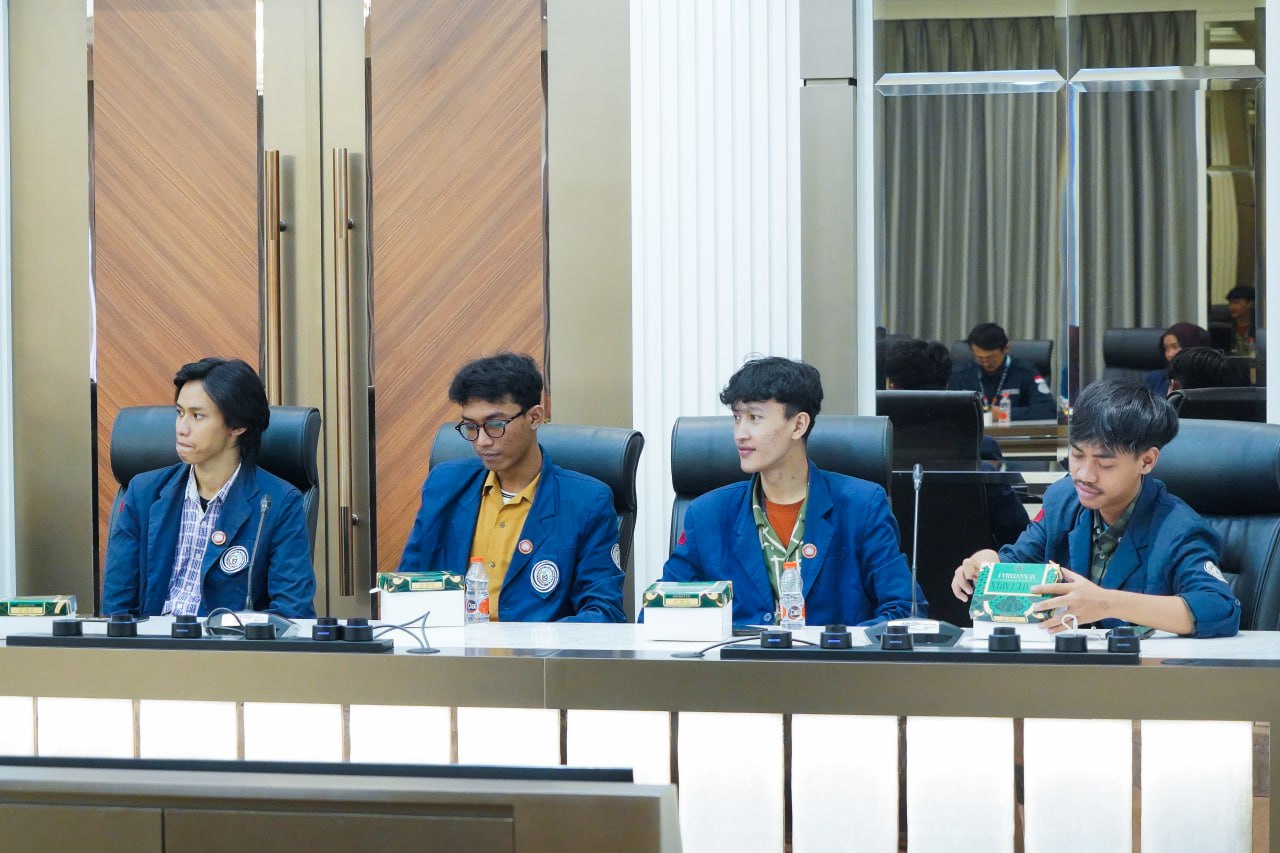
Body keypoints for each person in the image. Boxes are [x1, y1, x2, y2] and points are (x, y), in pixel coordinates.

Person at [950, 379, 1240, 638]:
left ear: (1147, 461)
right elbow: (1021, 561)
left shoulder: (1179, 528)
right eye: (1077, 456)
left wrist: (1105, 602)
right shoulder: (1064, 499)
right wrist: (989, 564)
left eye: (1105, 463)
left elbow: (1219, 608)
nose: (1085, 475)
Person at [660, 356, 921, 626]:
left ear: (798, 425)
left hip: (831, 654)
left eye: (754, 417)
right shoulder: (707, 514)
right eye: (737, 418)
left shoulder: (862, 506)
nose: (740, 434)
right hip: (737, 655)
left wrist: (836, 643)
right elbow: (660, 610)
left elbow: (904, 611)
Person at [398, 352, 624, 622]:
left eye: (495, 425)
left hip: (539, 648)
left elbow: (604, 613)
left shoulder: (586, 501)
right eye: (470, 426)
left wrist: (530, 641)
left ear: (534, 417)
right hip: (450, 645)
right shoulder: (444, 485)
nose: (481, 441)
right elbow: (407, 589)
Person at [102, 358, 316, 618]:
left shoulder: (278, 504)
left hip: (229, 642)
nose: (181, 428)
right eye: (180, 413)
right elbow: (117, 608)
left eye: (197, 416)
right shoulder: (143, 493)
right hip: (153, 640)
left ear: (238, 425)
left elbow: (293, 613)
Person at [885, 338, 1030, 546]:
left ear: (891, 386)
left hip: (889, 565)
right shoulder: (983, 450)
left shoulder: (871, 458)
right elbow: (1020, 538)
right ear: (946, 385)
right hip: (972, 566)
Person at [947, 323, 1055, 421]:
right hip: (972, 434)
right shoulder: (960, 374)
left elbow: (1048, 410)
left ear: (1006, 348)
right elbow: (949, 411)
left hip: (1015, 434)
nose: (986, 363)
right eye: (979, 358)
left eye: (991, 357)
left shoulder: (1026, 372)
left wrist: (1004, 413)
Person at [1144, 322, 1211, 397]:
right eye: (1166, 348)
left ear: (1192, 347)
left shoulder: (1209, 379)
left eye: (1175, 347)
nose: (1169, 354)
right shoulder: (1155, 379)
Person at [1167, 346, 1245, 393]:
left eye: (1175, 346)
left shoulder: (1167, 415)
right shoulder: (1244, 413)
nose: (1169, 354)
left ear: (1174, 387)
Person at [1226, 285, 1257, 355]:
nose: (1231, 307)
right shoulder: (1226, 326)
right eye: (1230, 303)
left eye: (1236, 303)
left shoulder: (1259, 327)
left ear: (1250, 304)